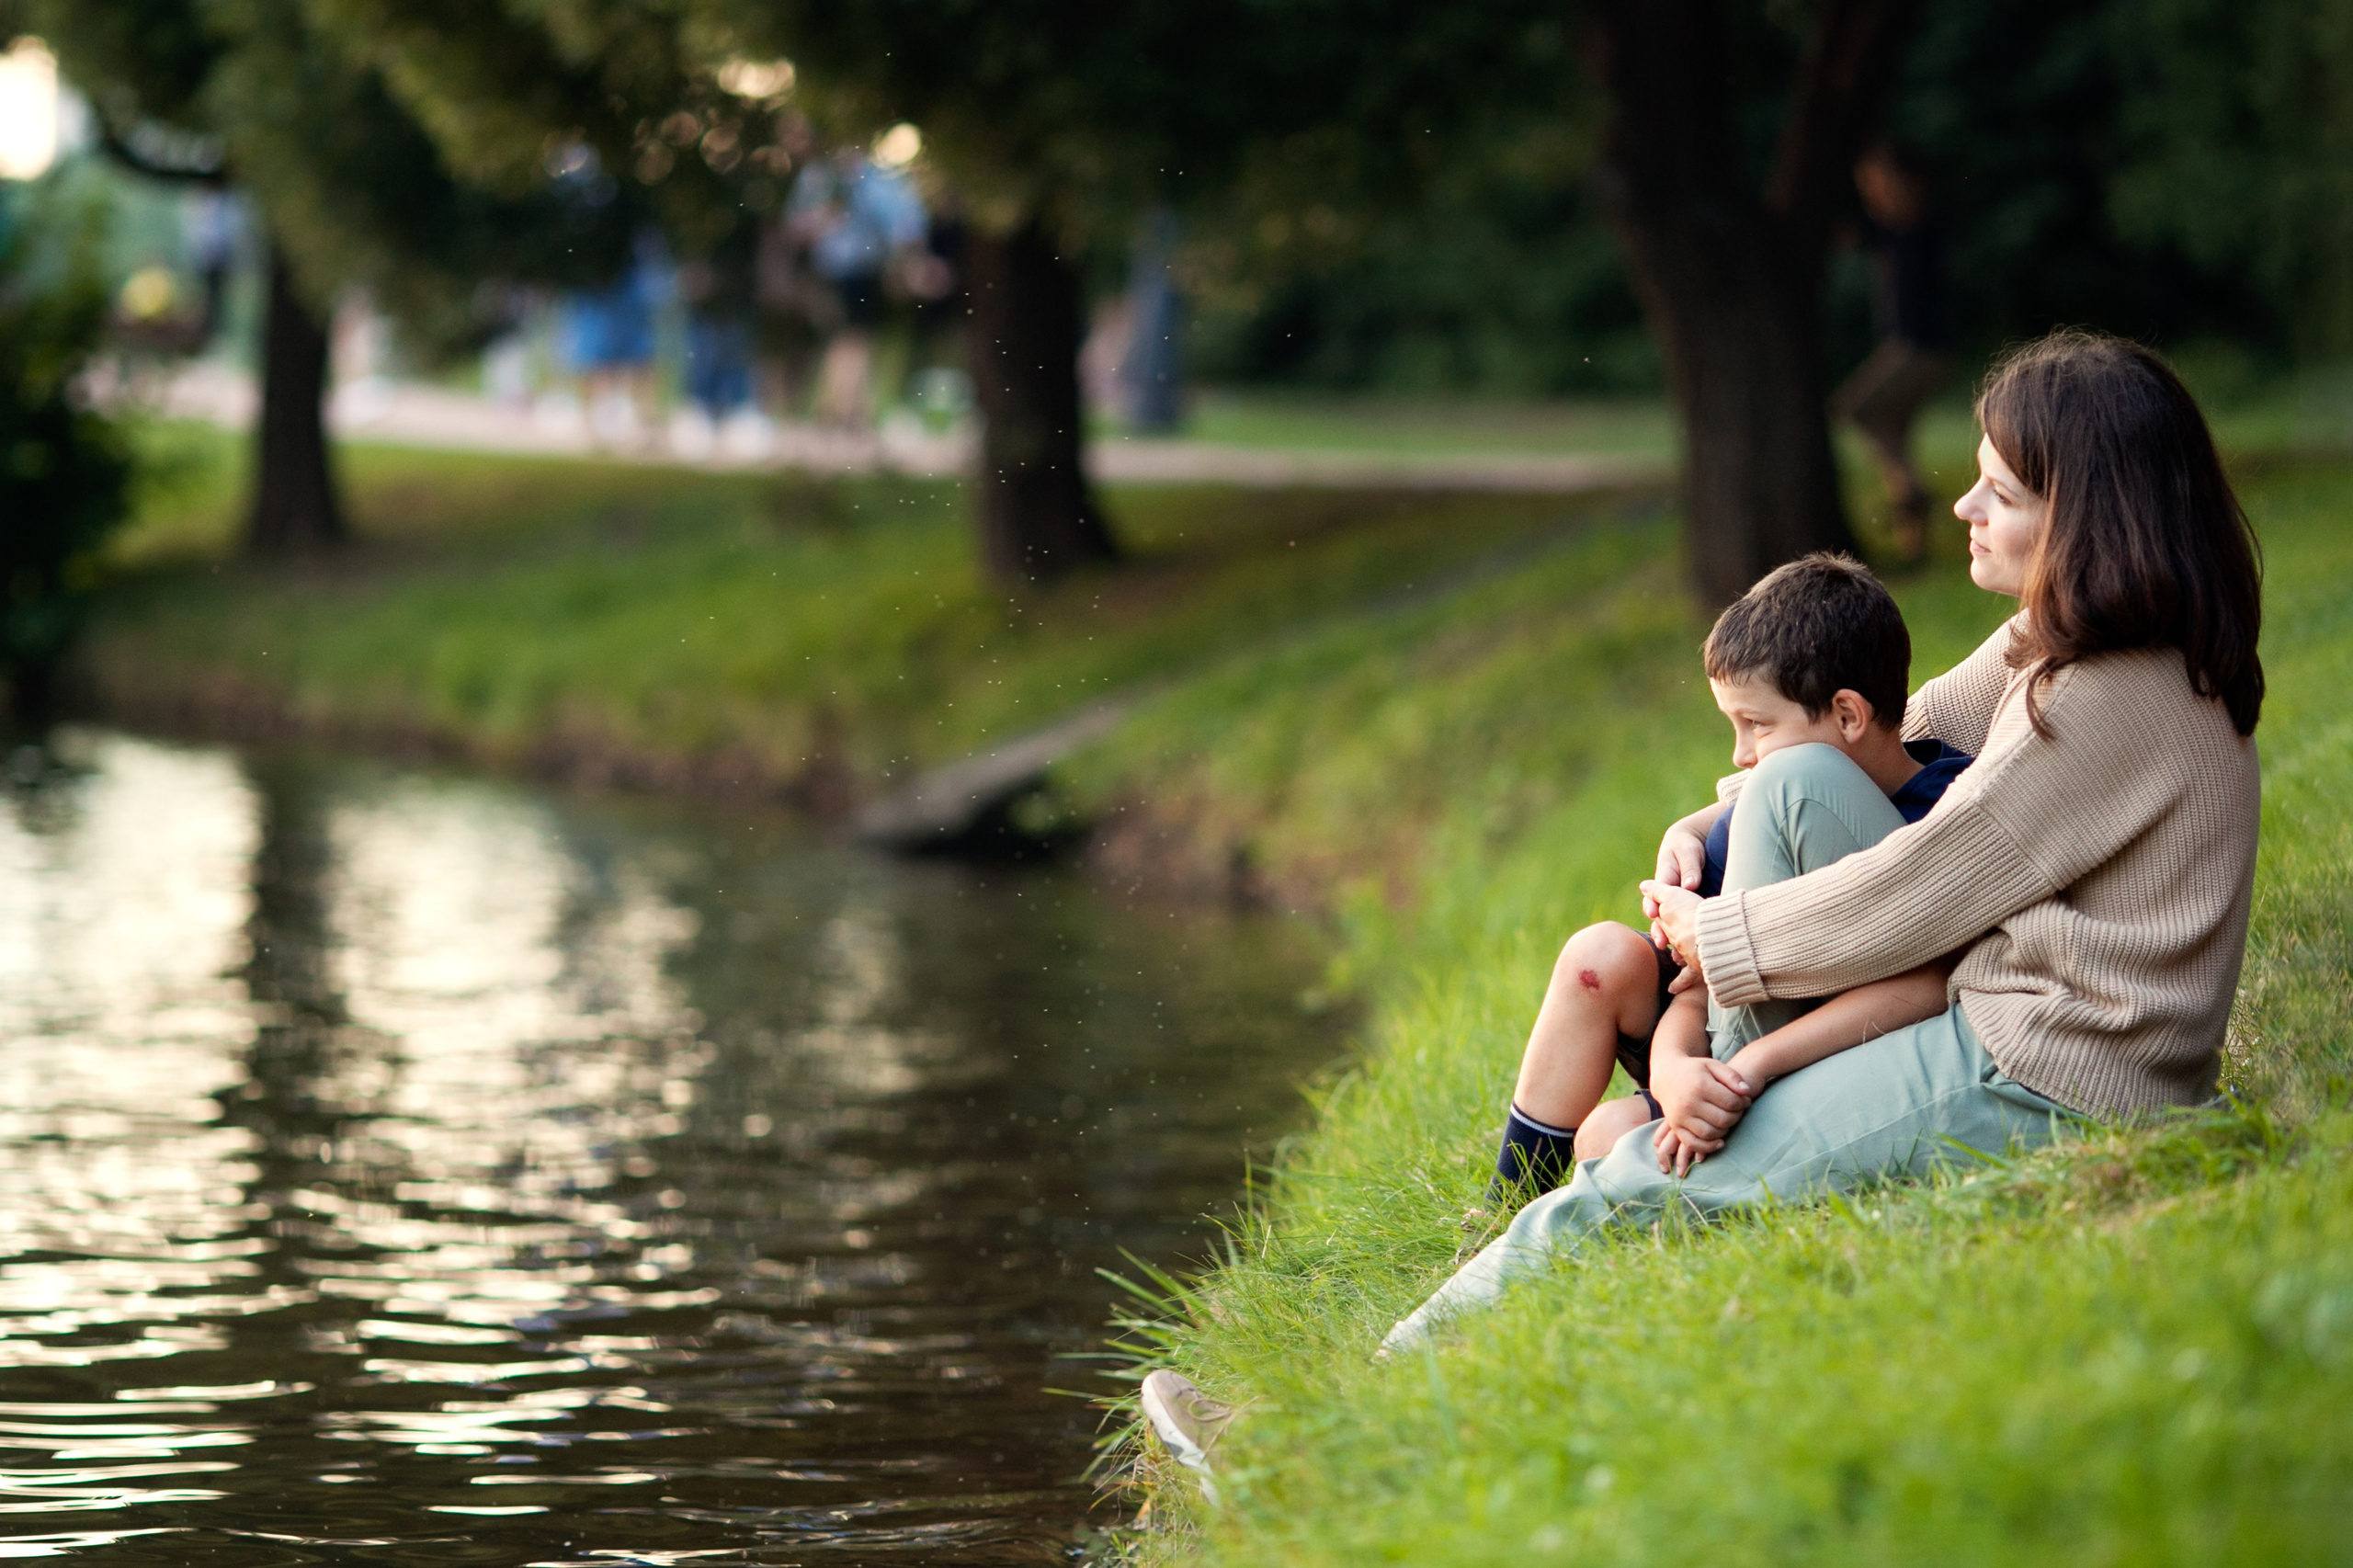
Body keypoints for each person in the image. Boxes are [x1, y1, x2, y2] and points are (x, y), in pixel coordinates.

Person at [1142, 328, 2265, 1468]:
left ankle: (1304, 1451)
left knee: (1633, 1189)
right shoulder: (2059, 648)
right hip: (2003, 1033)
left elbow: (1924, 886)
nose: (1962, 503)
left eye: (2001, 489)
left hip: (2049, 1076)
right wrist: (1710, 824)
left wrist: (1708, 932)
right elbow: (1889, 736)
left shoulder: (2109, 698)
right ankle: (1687, 1082)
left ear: (2090, 519)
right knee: (1785, 798)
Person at [1483, 553, 1973, 1217]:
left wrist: (1732, 1070)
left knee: (1607, 1136)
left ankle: (1665, 1174)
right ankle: (1500, 1212)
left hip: (1803, 1054)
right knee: (1597, 957)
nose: (1740, 757)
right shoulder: (1758, 809)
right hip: (1712, 1040)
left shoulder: (1942, 814)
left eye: (1758, 725)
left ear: (1848, 716)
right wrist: (1674, 1065)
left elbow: (1925, 980)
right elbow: (1698, 982)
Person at [1832, 142, 1950, 562]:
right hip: (1912, 348)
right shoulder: (1891, 231)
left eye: (1883, 186)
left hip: (1915, 349)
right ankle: (1914, 546)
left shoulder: (1917, 227)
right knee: (1896, 436)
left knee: (1855, 408)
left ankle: (1911, 487)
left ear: (1912, 184)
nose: (1875, 197)